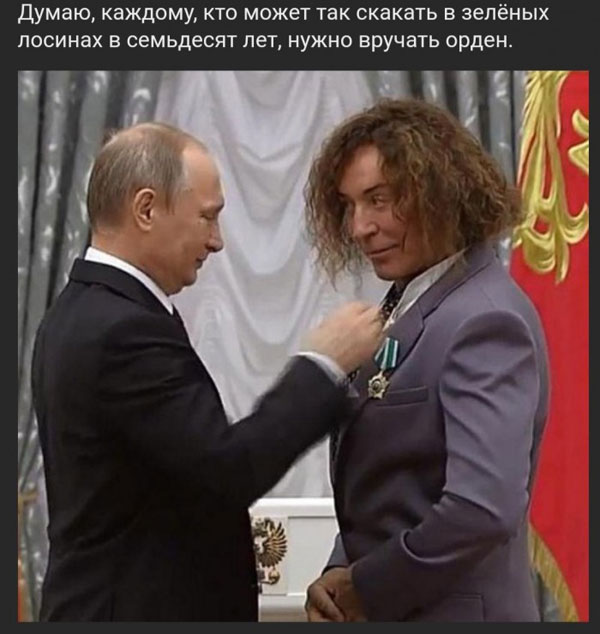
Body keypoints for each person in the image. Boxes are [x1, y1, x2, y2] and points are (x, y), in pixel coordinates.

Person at [31, 122, 384, 621]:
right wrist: (323, 364)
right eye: (207, 217)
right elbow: (228, 470)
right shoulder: (121, 330)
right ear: (146, 209)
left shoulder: (84, 309)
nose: (217, 241)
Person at [303, 99, 550, 622]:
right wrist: (340, 569)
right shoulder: (411, 301)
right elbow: (387, 490)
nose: (359, 227)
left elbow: (481, 508)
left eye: (379, 200)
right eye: (350, 205)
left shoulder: (484, 319)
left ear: (440, 190)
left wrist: (366, 586)